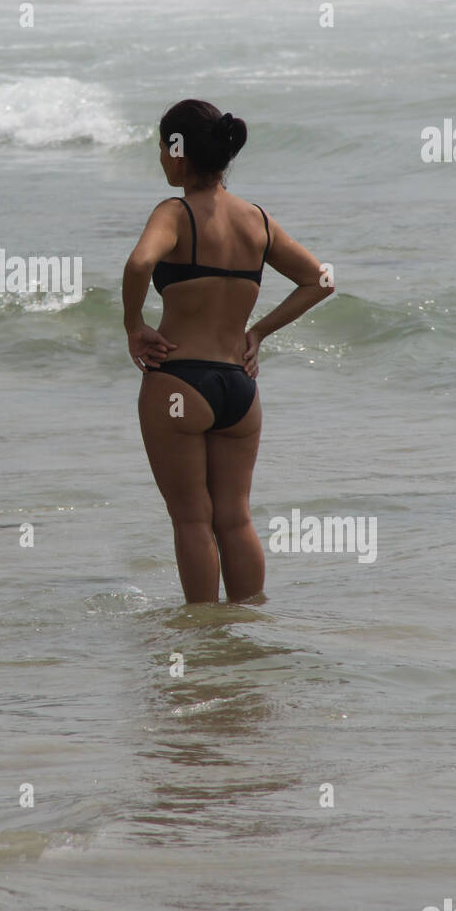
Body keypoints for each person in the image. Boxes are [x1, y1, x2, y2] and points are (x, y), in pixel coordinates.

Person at [122, 99, 333, 603]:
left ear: (177, 154)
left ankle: (203, 638)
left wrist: (134, 326)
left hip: (179, 385)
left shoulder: (175, 214)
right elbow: (320, 279)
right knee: (235, 519)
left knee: (193, 519)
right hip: (239, 390)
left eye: (161, 148)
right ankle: (247, 634)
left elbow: (138, 265)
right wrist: (257, 333)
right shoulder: (256, 219)